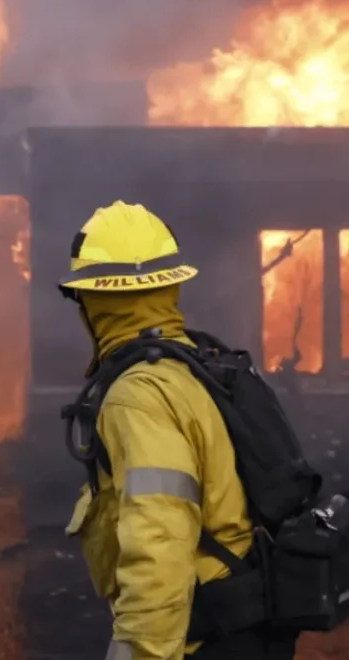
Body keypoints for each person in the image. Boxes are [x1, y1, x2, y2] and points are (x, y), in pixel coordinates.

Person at [59, 201, 297, 660]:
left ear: (94, 300)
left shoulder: (139, 395)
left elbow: (158, 544)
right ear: (168, 286)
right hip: (249, 625)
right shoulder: (195, 366)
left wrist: (141, 654)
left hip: (206, 638)